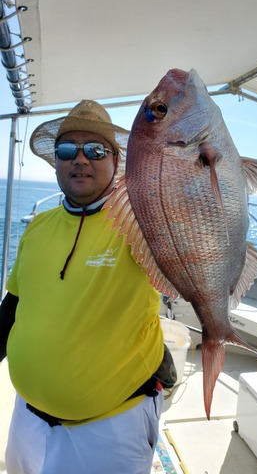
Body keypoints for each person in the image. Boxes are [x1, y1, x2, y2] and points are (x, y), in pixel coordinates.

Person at [0, 100, 176, 474]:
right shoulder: (37, 226)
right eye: (68, 150)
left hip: (111, 427)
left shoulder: (145, 224)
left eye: (95, 150)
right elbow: (14, 304)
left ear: (116, 161)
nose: (80, 159)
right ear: (57, 162)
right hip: (26, 417)